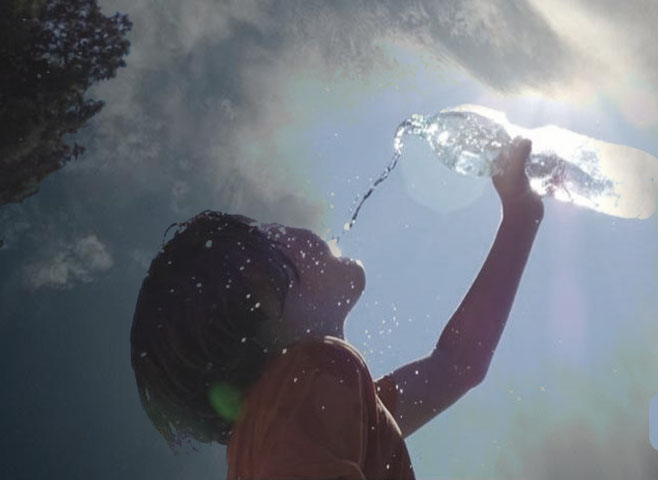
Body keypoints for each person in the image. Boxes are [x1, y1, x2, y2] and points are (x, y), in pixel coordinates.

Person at [130, 137, 544, 479]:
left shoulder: (314, 410)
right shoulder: (311, 374)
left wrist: (522, 215)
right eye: (269, 238)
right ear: (263, 301)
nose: (285, 229)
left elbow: (457, 364)